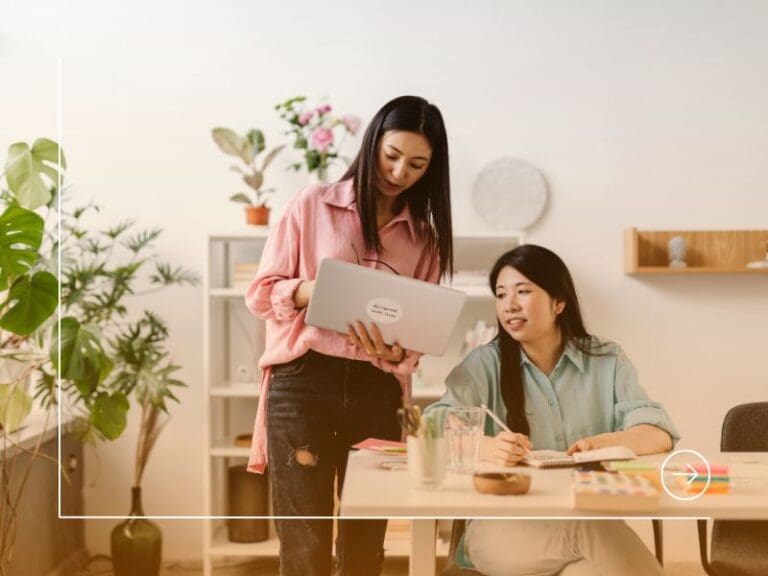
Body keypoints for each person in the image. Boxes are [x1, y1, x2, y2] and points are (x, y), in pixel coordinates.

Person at [244, 95, 453, 576]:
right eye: (392, 155)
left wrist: (399, 350)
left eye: (417, 164)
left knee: (364, 549)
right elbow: (260, 295)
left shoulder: (425, 238)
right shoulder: (312, 203)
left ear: (431, 171)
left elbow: (416, 335)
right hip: (302, 384)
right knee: (305, 546)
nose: (400, 172)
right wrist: (310, 291)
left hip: (376, 391)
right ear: (372, 143)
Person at [427, 244, 679, 576]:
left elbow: (657, 433)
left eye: (522, 291)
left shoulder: (606, 360)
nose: (509, 305)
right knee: (590, 531)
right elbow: (431, 425)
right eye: (501, 295)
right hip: (501, 531)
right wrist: (487, 447)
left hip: (584, 524)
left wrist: (602, 443)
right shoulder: (484, 364)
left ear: (559, 302)